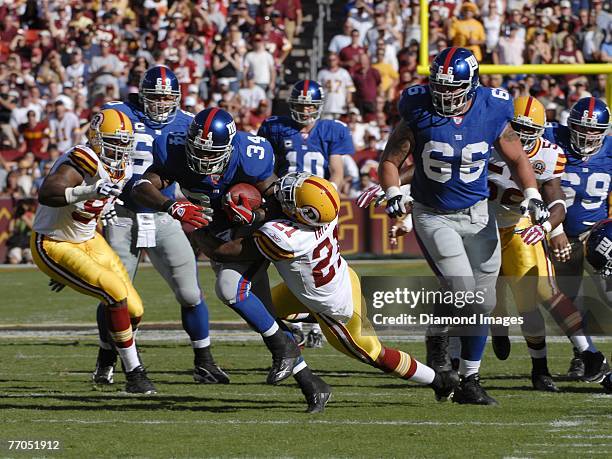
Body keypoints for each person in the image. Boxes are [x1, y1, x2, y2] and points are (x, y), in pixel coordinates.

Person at [378, 47, 547, 405]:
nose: (445, 94)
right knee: (464, 292)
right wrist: (393, 190)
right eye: (440, 86)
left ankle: (470, 380)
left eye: (453, 88)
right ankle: (437, 336)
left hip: (479, 213)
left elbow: (517, 157)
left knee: (482, 303)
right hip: (434, 214)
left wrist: (531, 193)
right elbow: (391, 159)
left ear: (472, 84)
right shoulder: (418, 108)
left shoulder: (493, 108)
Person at [131, 108, 330, 412]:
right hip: (215, 231)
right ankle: (312, 384)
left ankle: (290, 342)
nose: (203, 158)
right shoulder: (173, 149)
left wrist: (255, 214)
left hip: (249, 233)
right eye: (197, 150)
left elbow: (278, 204)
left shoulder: (251, 154)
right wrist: (171, 205)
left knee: (230, 289)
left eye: (211, 152)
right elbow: (142, 187)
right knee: (263, 313)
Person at [205, 172, 457, 406]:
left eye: (292, 196)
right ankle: (299, 331)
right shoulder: (326, 210)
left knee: (375, 354)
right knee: (260, 315)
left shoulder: (287, 237)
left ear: (305, 214)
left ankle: (439, 380)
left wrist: (223, 222)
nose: (283, 190)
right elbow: (277, 214)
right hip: (331, 281)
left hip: (333, 308)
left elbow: (223, 252)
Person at [95, 66, 228, 386]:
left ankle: (204, 361)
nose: (160, 104)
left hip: (165, 215)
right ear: (142, 94)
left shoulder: (186, 122)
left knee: (190, 292)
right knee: (114, 295)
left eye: (168, 98)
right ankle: (106, 358)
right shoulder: (118, 113)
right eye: (154, 97)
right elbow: (95, 156)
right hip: (123, 213)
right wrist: (97, 207)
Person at [29, 108, 156, 394]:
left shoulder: (120, 167)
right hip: (54, 242)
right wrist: (89, 192)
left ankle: (105, 362)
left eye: (125, 142)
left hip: (88, 239)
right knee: (113, 290)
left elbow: (100, 198)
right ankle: (135, 374)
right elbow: (47, 193)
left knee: (135, 309)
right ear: (97, 138)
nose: (121, 147)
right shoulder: (82, 159)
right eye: (115, 140)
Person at [487, 96, 609, 391]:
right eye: (517, 129)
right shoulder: (491, 139)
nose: (524, 137)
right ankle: (462, 360)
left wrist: (549, 229)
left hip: (543, 227)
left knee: (544, 291)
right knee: (479, 293)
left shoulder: (551, 153)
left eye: (531, 131)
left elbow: (554, 200)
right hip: (489, 223)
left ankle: (585, 356)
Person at [258, 80, 355, 347]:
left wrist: (327, 199)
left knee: (316, 266)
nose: (305, 110)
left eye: (310, 105)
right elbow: (266, 164)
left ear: (320, 106)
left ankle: (314, 323)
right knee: (283, 262)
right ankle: (297, 321)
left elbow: (336, 171)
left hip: (316, 210)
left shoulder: (330, 130)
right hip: (284, 205)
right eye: (300, 105)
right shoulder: (276, 127)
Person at [544, 97, 611, 381]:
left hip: (598, 235)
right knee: (563, 303)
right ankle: (585, 357)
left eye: (595, 130)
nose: (587, 135)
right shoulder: (551, 138)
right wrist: (554, 230)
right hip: (559, 237)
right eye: (581, 128)